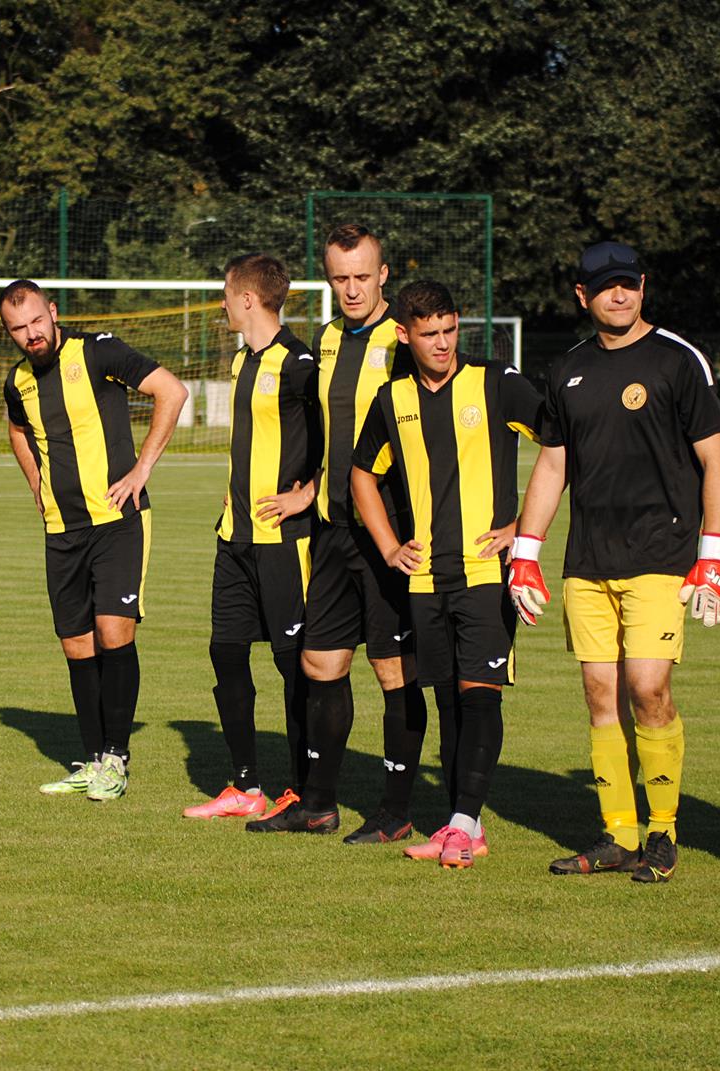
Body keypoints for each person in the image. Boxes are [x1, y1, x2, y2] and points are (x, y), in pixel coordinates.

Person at [508, 241, 720, 883]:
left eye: (628, 284)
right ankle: (617, 834)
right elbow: (553, 465)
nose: (620, 295)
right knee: (599, 693)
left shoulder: (677, 360)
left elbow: (717, 459)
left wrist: (712, 553)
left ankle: (661, 834)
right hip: (588, 562)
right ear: (582, 296)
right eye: (605, 286)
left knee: (648, 688)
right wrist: (526, 554)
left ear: (643, 286)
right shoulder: (568, 369)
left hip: (661, 555)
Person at [350, 280, 544, 866]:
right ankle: (462, 820)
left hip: (487, 574)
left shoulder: (497, 383)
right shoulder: (393, 399)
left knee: (480, 696)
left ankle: (464, 823)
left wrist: (524, 531)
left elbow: (560, 447)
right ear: (404, 334)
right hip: (426, 579)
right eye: (429, 333)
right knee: (450, 703)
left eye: (450, 330)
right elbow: (362, 475)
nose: (442, 343)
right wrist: (388, 547)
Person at [0, 279, 189, 801]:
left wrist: (141, 470)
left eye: (37, 321)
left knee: (113, 633)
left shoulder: (97, 350)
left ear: (52, 312)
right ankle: (91, 761)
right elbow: (18, 432)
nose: (31, 334)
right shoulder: (18, 382)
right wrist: (36, 483)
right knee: (76, 643)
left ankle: (117, 758)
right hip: (61, 529)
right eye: (18, 328)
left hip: (117, 522)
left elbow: (171, 391)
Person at [275, 223, 429, 840]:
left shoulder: (404, 339)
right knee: (320, 662)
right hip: (333, 531)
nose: (352, 288)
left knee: (394, 671)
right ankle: (318, 805)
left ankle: (395, 813)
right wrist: (310, 487)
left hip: (390, 536)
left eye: (363, 276)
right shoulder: (329, 338)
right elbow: (325, 429)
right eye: (340, 278)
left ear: (384, 274)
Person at [184, 253, 321, 824]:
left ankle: (301, 788)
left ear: (247, 299)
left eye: (226, 293)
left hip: (284, 541)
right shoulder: (243, 361)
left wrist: (307, 494)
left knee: (295, 667)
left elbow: (340, 434)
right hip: (234, 538)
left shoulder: (299, 363)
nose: (221, 303)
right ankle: (244, 786)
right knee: (226, 653)